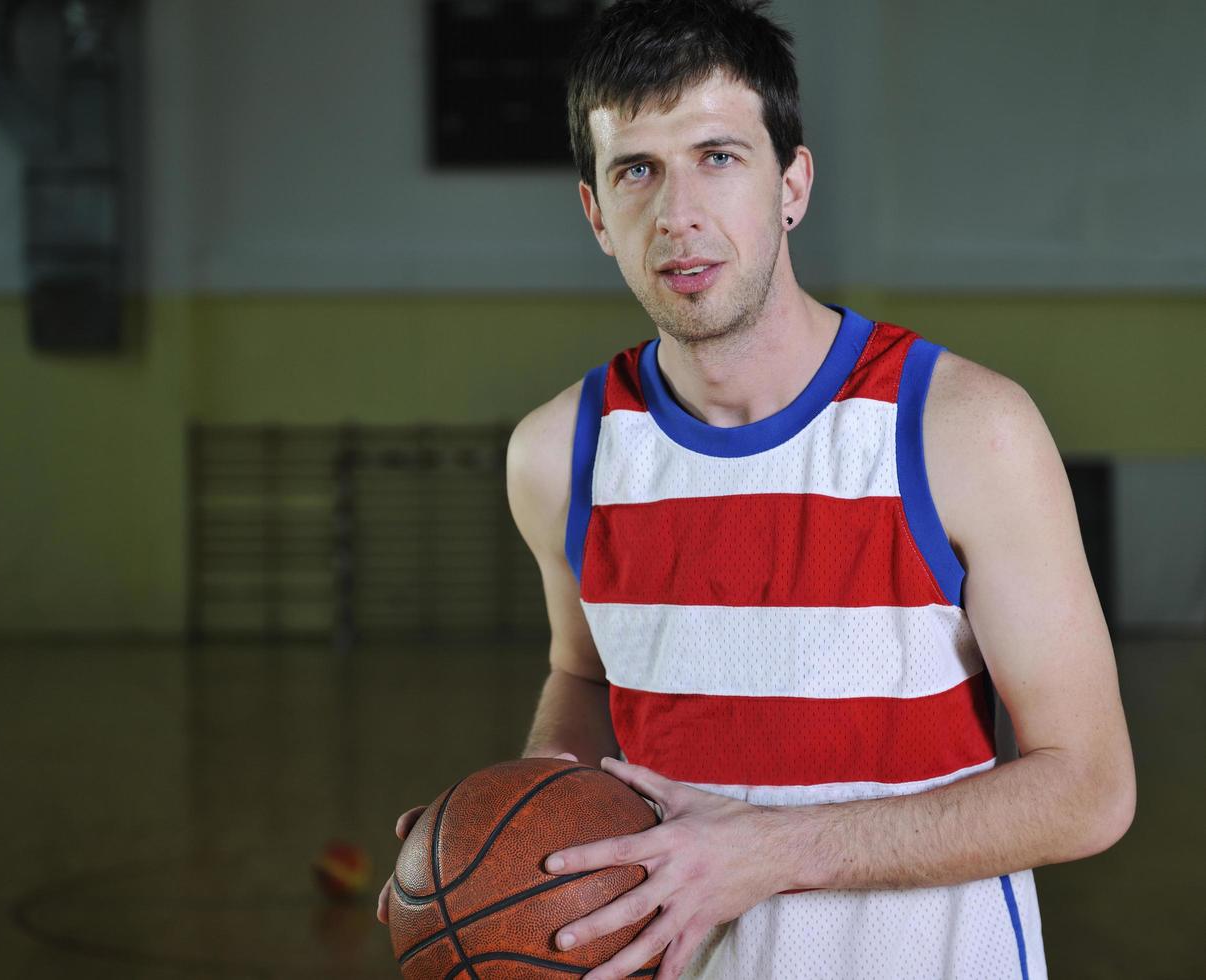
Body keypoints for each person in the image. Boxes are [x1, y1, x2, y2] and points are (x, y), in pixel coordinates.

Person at [378, 1, 1136, 977]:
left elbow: (1087, 789)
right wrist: (523, 816)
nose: (678, 211)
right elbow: (583, 676)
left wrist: (769, 849)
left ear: (792, 183)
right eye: (636, 170)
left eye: (718, 156)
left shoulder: (962, 429)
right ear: (595, 213)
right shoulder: (556, 454)